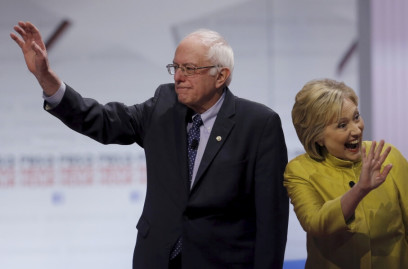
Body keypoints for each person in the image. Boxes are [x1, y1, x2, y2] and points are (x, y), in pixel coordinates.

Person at [10, 21, 289, 269]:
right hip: (156, 257)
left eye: (189, 69)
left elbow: (272, 219)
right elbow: (101, 120)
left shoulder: (259, 124)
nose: (178, 77)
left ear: (220, 75)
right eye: (175, 67)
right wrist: (45, 77)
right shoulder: (164, 105)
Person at [284, 78, 408, 268]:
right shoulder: (299, 170)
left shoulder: (389, 157)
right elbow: (316, 224)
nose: (356, 129)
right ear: (317, 136)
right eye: (342, 125)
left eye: (356, 117)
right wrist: (360, 190)